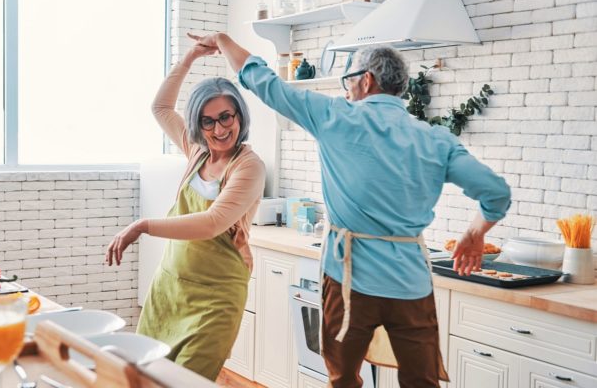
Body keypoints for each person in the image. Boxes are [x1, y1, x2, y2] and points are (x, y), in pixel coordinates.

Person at [189, 32, 511, 388]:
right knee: (421, 382)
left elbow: (265, 83)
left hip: (347, 281)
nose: (345, 89)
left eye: (348, 79)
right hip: (411, 284)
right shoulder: (435, 139)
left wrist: (223, 41)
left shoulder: (335, 116)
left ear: (366, 80)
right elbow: (496, 194)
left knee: (342, 380)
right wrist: (474, 234)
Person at [105, 42, 265, 381]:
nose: (219, 130)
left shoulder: (248, 167)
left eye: (226, 117)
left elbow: (213, 223)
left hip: (216, 299)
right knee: (144, 377)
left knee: (185, 381)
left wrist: (143, 225)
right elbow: (161, 107)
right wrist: (190, 57)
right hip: (170, 288)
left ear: (239, 116)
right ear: (198, 124)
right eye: (208, 122)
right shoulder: (198, 151)